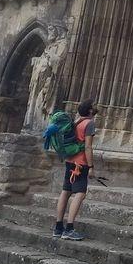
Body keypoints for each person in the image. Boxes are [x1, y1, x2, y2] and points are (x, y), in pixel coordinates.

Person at [53, 100, 96, 240]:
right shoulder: (89, 124)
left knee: (65, 192)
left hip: (70, 160)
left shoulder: (76, 121)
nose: (95, 107)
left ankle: (58, 227)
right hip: (80, 163)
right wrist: (91, 167)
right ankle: (69, 228)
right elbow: (88, 147)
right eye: (93, 105)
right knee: (80, 194)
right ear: (90, 110)